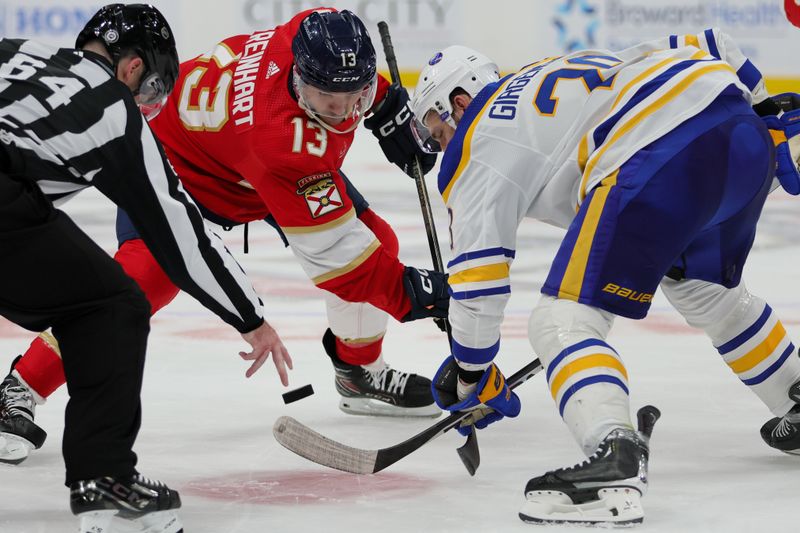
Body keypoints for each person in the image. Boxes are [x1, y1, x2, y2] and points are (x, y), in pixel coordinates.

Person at [0, 7, 449, 465]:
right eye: (329, 99)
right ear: (299, 80)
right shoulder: (282, 144)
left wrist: (387, 105)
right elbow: (344, 266)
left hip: (241, 163)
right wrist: (421, 296)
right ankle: (20, 388)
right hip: (173, 169)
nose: (344, 112)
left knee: (379, 241)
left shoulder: (312, 35)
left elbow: (345, 76)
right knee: (130, 291)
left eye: (357, 95)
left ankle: (358, 372)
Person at [412, 30, 800, 526]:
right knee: (707, 293)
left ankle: (613, 463)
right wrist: (766, 110)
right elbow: (712, 40)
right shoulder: (561, 65)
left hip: (659, 152)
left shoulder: (475, 140)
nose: (442, 145)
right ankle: (794, 394)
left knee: (561, 321)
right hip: (740, 133)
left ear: (459, 103)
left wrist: (471, 373)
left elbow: (478, 284)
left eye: (437, 130)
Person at [0, 3, 307, 531]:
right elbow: (180, 237)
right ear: (132, 67)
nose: (148, 107)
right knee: (112, 305)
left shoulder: (18, 53)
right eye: (152, 92)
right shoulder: (112, 108)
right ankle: (105, 484)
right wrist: (250, 318)